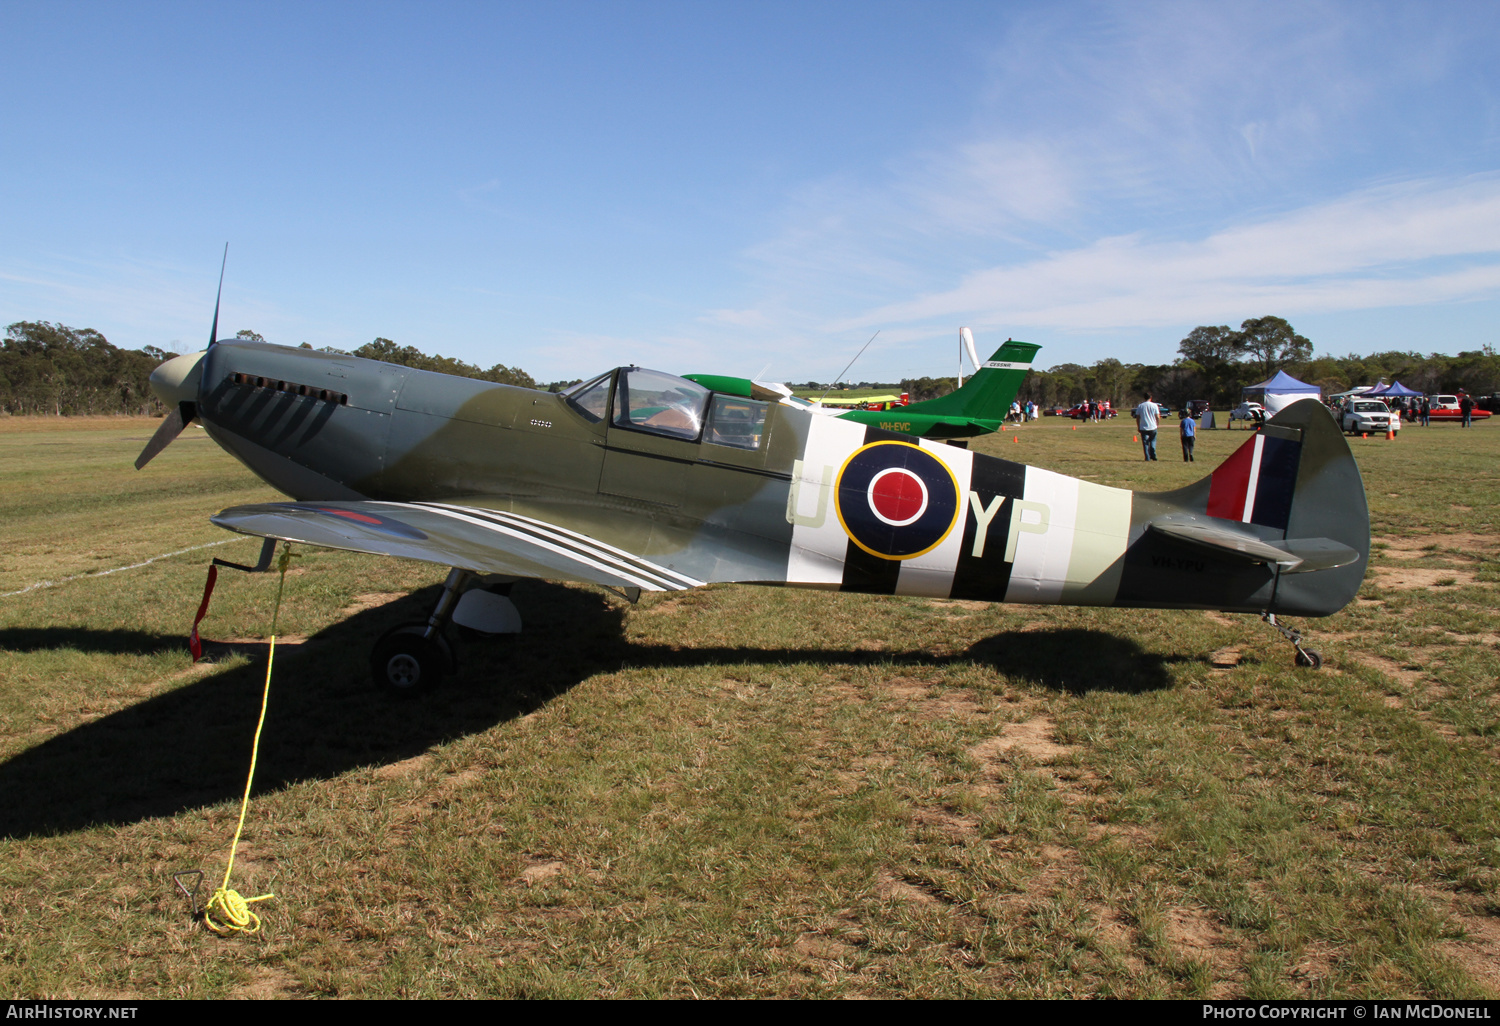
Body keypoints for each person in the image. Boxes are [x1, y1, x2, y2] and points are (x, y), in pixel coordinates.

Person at [1133, 393, 1160, 461]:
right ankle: (1153, 455)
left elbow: (1138, 417)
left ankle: (1147, 457)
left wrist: (1138, 426)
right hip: (1153, 426)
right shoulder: (1154, 405)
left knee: (1145, 443)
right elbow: (1157, 416)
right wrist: (1157, 424)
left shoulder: (1140, 406)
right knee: (1153, 441)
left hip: (1144, 427)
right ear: (1151, 397)